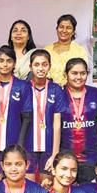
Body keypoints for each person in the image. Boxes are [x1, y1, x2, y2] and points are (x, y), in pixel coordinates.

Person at [0, 46, 30, 183]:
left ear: (14, 63)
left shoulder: (23, 86)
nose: (4, 64)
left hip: (13, 144)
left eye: (9, 61)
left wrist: (19, 145)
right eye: (1, 60)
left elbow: (27, 118)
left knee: (14, 183)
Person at [22, 49, 65, 182]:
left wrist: (55, 154)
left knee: (45, 188)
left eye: (44, 64)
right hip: (28, 146)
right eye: (36, 64)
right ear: (30, 67)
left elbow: (57, 123)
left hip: (48, 146)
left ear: (49, 66)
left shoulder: (56, 89)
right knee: (29, 188)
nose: (40, 68)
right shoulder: (23, 88)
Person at [60, 58, 97, 184]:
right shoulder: (58, 95)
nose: (79, 77)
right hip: (65, 157)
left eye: (83, 73)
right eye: (74, 73)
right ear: (66, 74)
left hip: (91, 158)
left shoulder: (96, 93)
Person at [45, 14, 89, 87]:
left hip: (71, 91)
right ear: (57, 29)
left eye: (68, 28)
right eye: (61, 27)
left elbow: (82, 73)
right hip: (49, 91)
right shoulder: (47, 49)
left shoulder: (79, 51)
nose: (64, 30)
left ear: (73, 31)